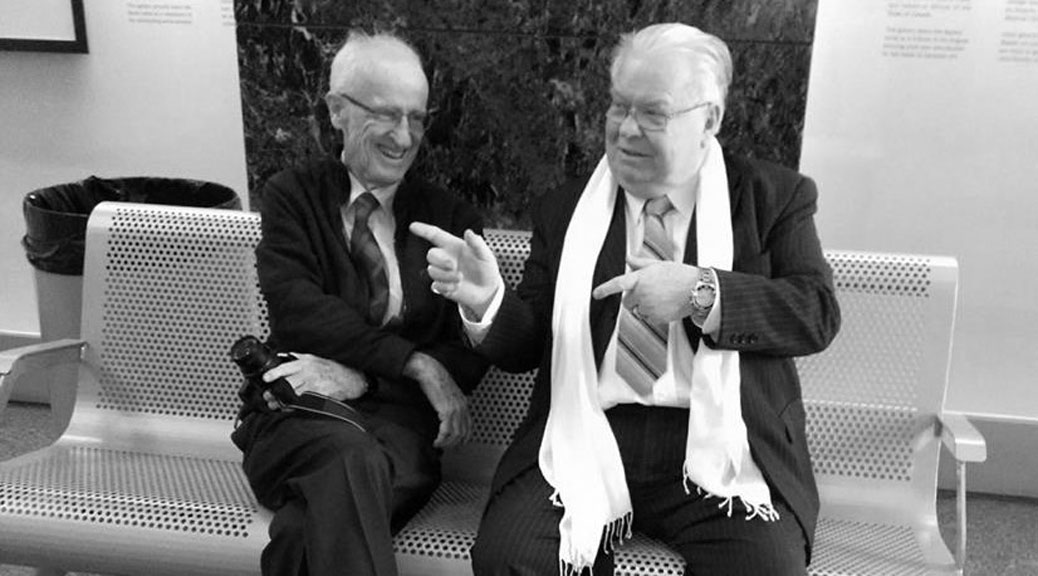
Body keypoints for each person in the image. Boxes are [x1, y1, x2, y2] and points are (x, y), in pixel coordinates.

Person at [411, 22, 841, 576]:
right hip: (585, 431)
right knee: (512, 559)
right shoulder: (565, 211)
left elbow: (816, 312)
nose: (626, 129)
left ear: (709, 119)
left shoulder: (771, 198)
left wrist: (701, 292)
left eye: (653, 113)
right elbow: (529, 345)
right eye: (618, 107)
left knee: (765, 569)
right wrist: (488, 302)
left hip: (721, 446)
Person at [230, 30, 489, 576]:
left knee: (308, 527)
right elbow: (300, 313)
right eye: (386, 115)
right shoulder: (292, 197)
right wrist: (413, 364)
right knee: (351, 460)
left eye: (417, 118)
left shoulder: (449, 218)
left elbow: (467, 351)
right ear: (337, 112)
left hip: (400, 434)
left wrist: (369, 380)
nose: (404, 136)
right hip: (295, 413)